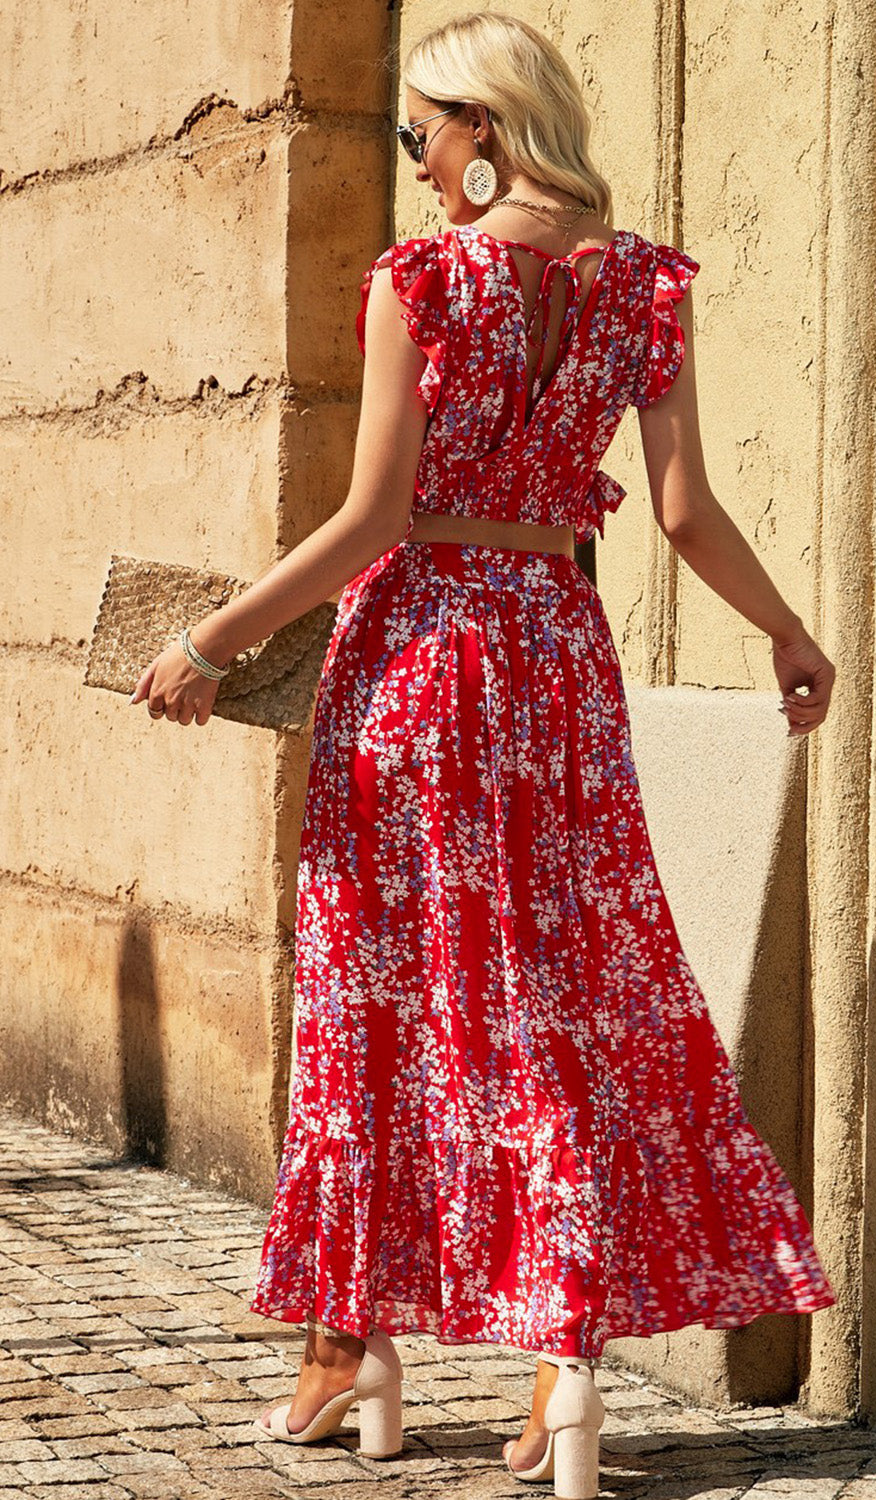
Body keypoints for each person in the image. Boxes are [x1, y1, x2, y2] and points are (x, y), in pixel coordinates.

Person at [130, 11, 837, 1498]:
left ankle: (351, 1349)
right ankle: (562, 1374)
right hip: (556, 663)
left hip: (418, 663)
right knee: (557, 999)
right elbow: (685, 512)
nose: (414, 158)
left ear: (482, 129)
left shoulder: (422, 279)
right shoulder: (643, 286)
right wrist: (785, 631)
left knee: (375, 999)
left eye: (420, 131)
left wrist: (210, 640)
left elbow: (373, 520)